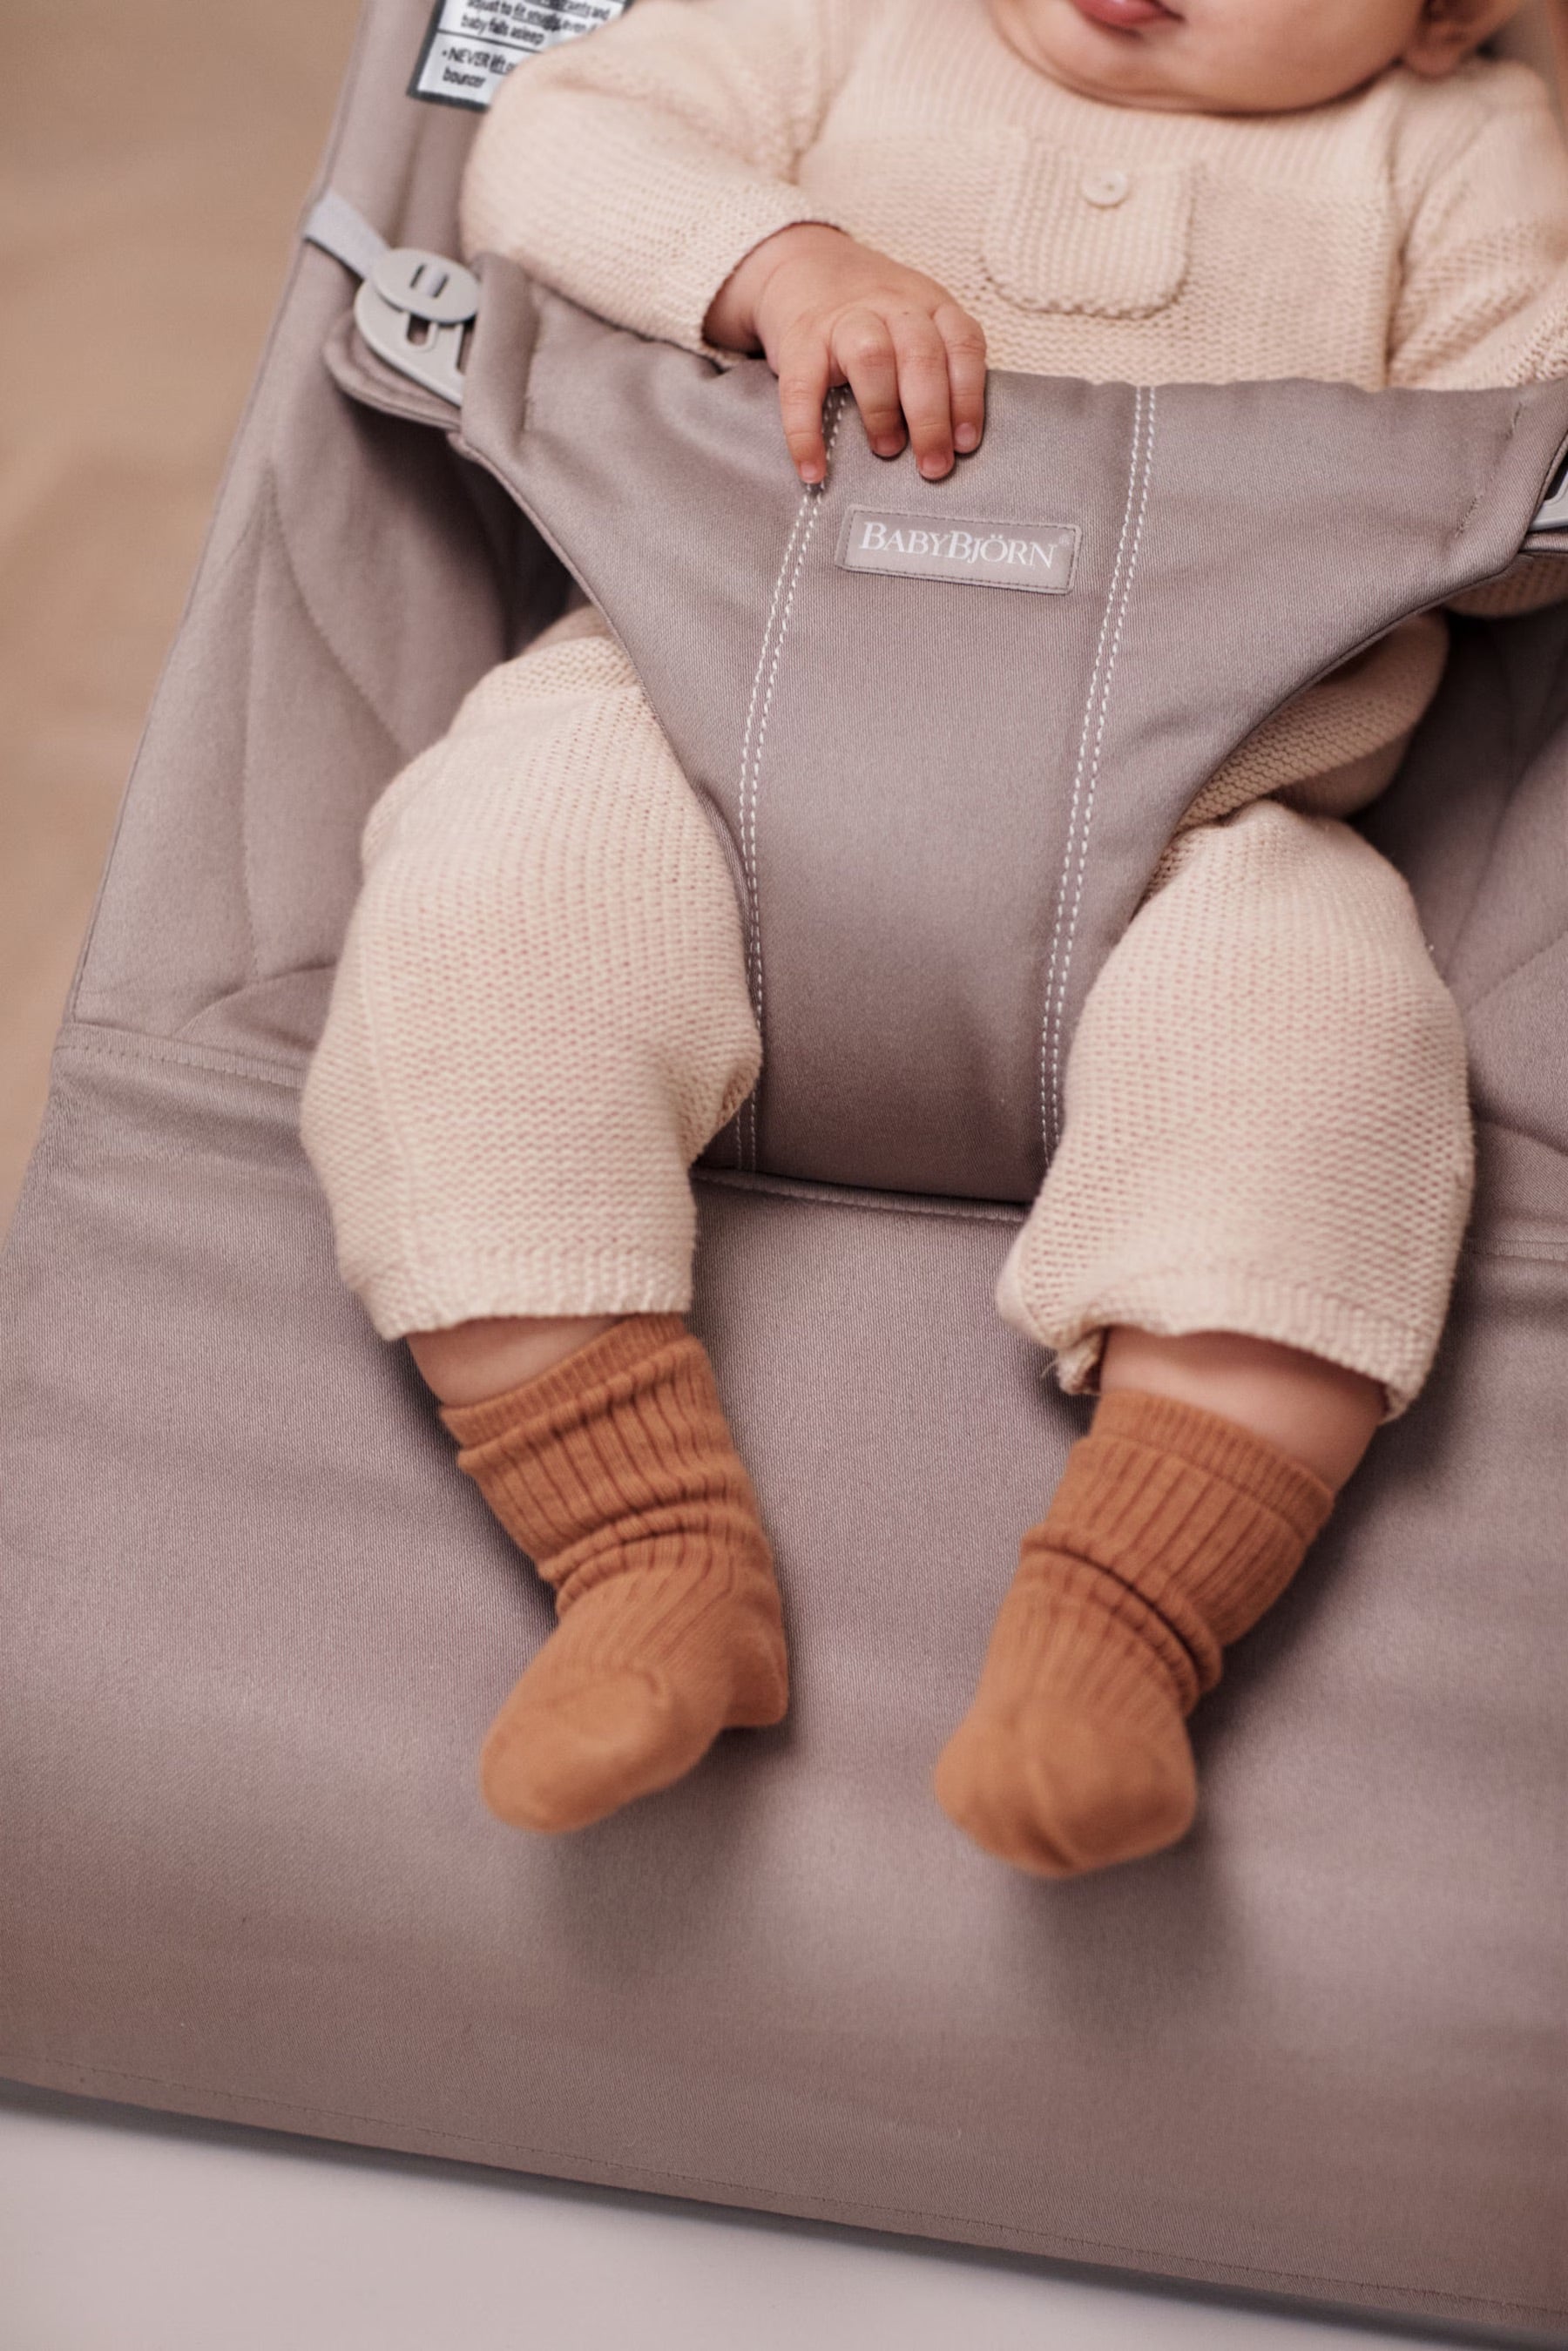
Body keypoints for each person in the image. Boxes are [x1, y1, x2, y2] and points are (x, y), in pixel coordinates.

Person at [301, 0, 1568, 1876]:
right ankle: (643, 1553)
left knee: (1334, 1057)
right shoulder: (837, 28)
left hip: (1197, 821)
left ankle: (1122, 1621)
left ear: (1449, 10)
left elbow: (1525, 464)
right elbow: (549, 144)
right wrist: (771, 256)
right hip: (681, 717)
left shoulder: (1450, 155)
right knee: (479, 913)